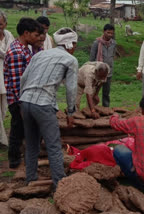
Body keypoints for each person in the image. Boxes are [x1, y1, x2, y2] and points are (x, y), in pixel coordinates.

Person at [20, 27, 78, 189]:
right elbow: (71, 88)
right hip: (44, 104)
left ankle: (30, 179)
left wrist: (21, 101)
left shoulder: (39, 54)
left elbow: (24, 78)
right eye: (75, 44)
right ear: (70, 44)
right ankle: (59, 183)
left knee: (31, 144)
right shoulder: (70, 60)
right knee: (53, 145)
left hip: (26, 101)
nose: (75, 47)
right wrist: (71, 112)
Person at [4, 18, 42, 168]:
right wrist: (21, 107)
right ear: (26, 33)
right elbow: (17, 83)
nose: (38, 38)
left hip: (26, 99)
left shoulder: (26, 49)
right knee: (17, 130)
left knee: (23, 129)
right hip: (18, 100)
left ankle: (24, 159)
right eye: (35, 35)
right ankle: (14, 162)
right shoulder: (16, 52)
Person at [90, 24, 116, 107]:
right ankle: (92, 107)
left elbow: (113, 55)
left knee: (106, 92)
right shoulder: (97, 43)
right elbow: (92, 58)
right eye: (108, 33)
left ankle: (106, 108)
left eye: (111, 33)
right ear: (104, 32)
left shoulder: (113, 43)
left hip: (109, 71)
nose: (110, 35)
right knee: (94, 91)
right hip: (97, 71)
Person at [0, 10, 14, 146]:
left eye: (1, 24)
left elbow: (10, 54)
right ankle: (2, 139)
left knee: (4, 108)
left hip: (5, 76)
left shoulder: (9, 35)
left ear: (5, 24)